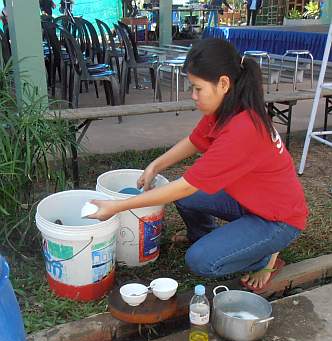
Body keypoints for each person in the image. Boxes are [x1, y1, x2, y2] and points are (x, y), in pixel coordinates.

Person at [88, 39, 308, 293]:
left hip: (278, 220)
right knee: (188, 199)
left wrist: (117, 206)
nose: (192, 96)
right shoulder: (227, 108)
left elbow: (186, 186)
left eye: (197, 88)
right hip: (249, 201)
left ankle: (264, 256)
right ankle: (206, 236)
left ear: (223, 84)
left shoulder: (243, 129)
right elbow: (194, 141)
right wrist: (155, 165)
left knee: (200, 261)